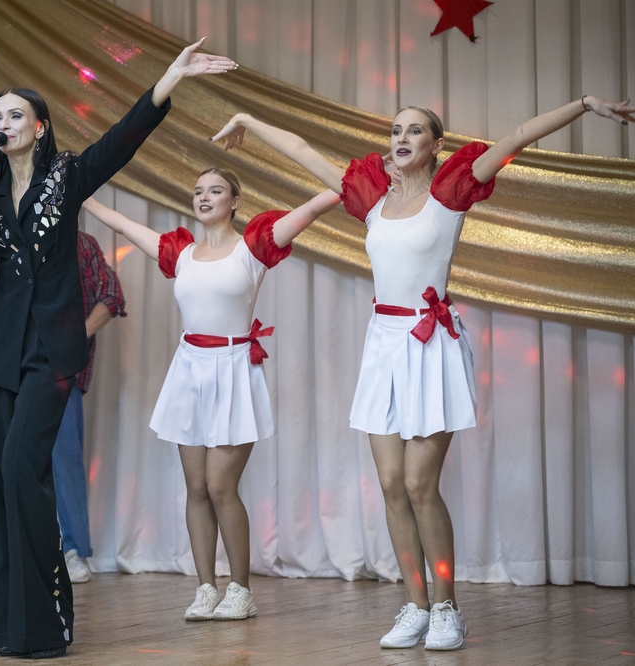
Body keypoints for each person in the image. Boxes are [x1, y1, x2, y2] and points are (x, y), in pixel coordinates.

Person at [212, 94, 634, 649]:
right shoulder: (371, 196)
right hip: (383, 345)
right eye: (395, 131)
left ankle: (446, 608)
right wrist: (247, 117)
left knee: (418, 483)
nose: (402, 138)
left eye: (415, 130)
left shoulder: (451, 192)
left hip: (431, 344)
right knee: (391, 485)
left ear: (436, 145)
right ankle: (414, 606)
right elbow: (303, 150)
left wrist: (584, 105)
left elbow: (519, 136)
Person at [0, 37, 237, 659]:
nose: (3, 123)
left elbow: (124, 138)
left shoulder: (66, 175)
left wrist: (170, 79)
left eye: (16, 114)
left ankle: (46, 621)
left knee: (22, 467)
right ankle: (3, 627)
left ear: (40, 126)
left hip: (50, 351)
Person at [83, 174, 339, 621]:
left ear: (235, 201)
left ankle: (241, 589)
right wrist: (80, 195)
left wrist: (352, 184)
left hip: (234, 370)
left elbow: (312, 209)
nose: (204, 197)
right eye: (198, 190)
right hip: (189, 371)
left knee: (221, 485)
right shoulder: (180, 253)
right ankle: (206, 588)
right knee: (197, 487)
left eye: (215, 190)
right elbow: (122, 224)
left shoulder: (253, 246)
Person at [0, 230, 125, 585]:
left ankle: (73, 551)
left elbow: (111, 294)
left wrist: (70, 338)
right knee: (2, 457)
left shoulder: (79, 242)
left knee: (62, 459)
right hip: (6, 364)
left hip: (54, 369)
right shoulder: (6, 235)